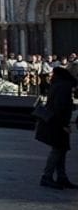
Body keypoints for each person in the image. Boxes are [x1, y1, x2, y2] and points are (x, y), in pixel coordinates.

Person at [35, 61, 78, 189]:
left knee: (61, 149)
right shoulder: (64, 86)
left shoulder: (58, 83)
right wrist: (64, 124)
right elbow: (60, 106)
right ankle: (47, 176)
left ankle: (61, 176)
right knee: (58, 150)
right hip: (58, 123)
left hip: (54, 121)